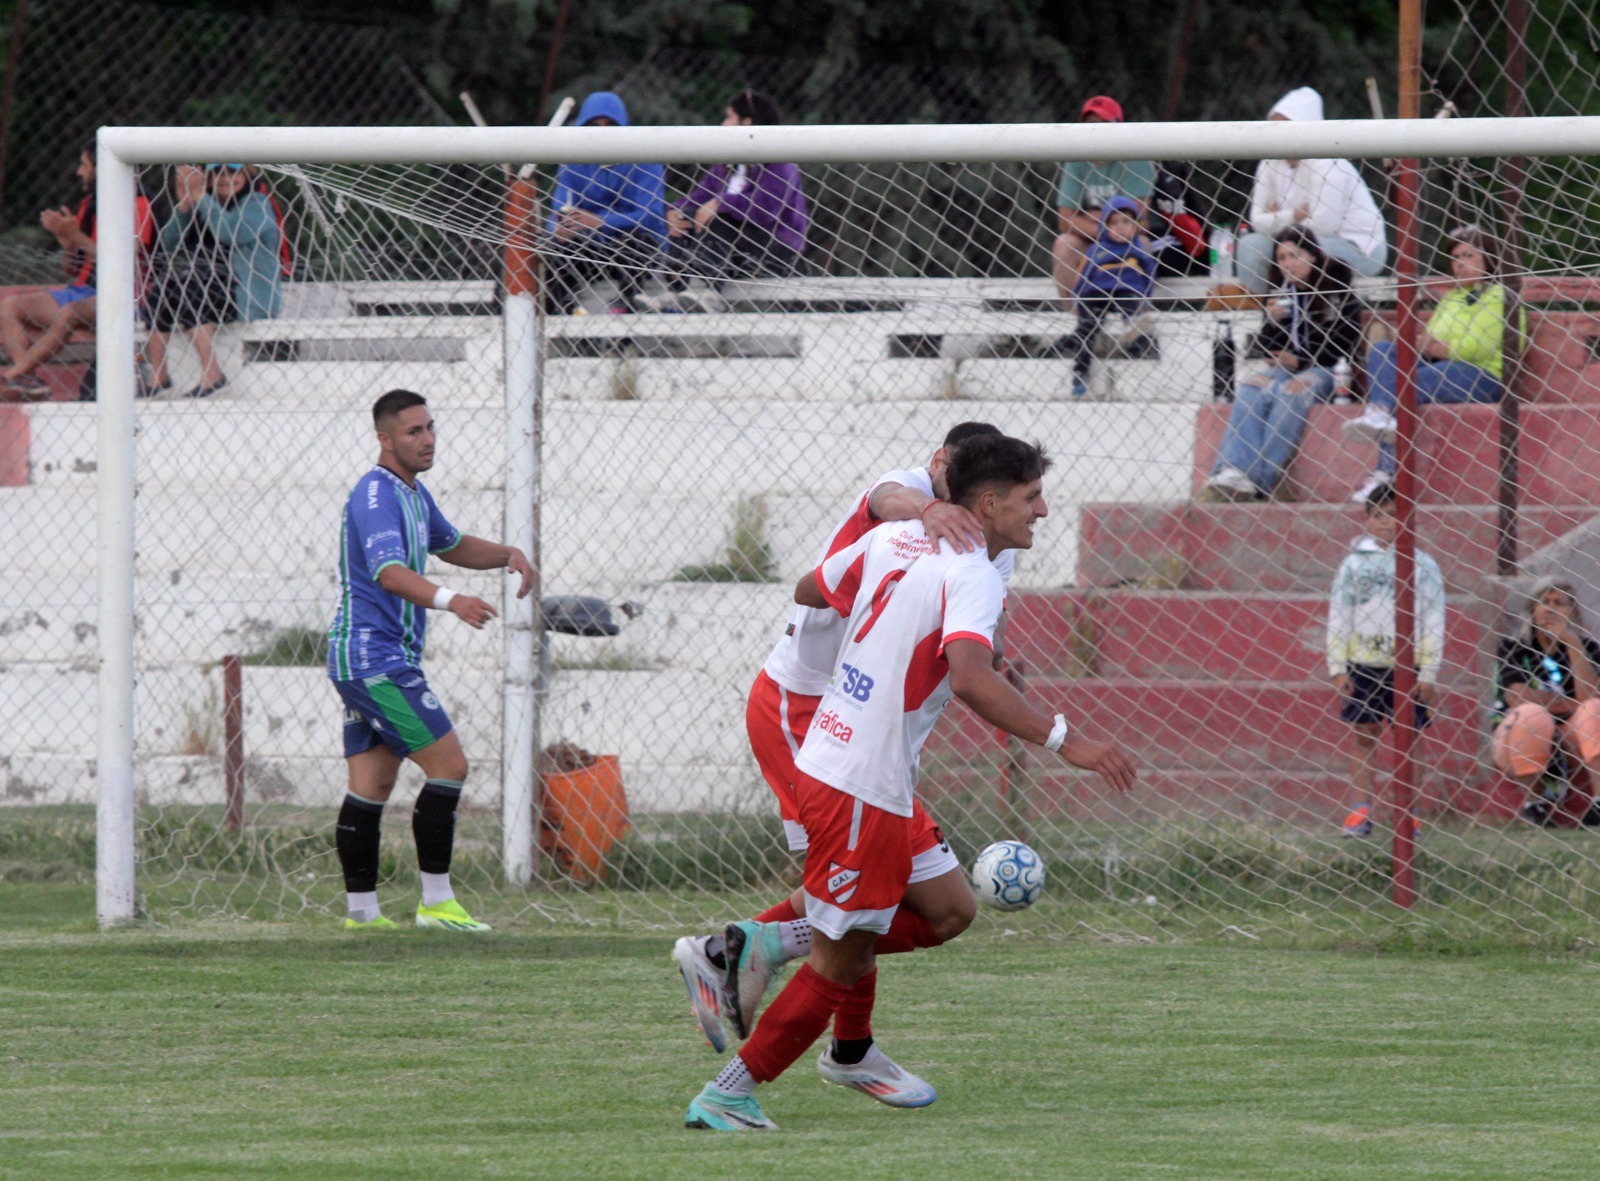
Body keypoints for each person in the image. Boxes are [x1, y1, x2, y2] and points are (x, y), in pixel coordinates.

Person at [682, 435, 1136, 1131]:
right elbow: (970, 676)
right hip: (859, 781)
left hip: (855, 766)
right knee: (841, 955)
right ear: (987, 504)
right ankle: (729, 1092)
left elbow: (811, 588)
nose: (1042, 510)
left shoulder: (895, 539)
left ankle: (773, 944)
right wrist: (1066, 740)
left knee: (951, 908)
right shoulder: (975, 572)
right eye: (1030, 498)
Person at [672, 423, 1010, 1059]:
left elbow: (961, 618)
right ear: (939, 465)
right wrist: (932, 507)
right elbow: (887, 497)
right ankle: (814, 1027)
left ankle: (761, 969)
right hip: (805, 709)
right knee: (856, 892)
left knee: (901, 899)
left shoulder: (991, 543)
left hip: (863, 724)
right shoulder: (911, 494)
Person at [325, 389, 534, 932]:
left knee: (372, 782)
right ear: (385, 438)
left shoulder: (413, 493)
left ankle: (363, 917)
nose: (427, 439)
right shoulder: (375, 495)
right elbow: (389, 572)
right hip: (374, 659)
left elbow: (452, 543)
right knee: (449, 765)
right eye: (413, 431)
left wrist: (507, 555)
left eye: (430, 428)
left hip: (372, 659)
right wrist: (453, 601)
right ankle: (436, 905)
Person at [1343, 224, 1526, 501]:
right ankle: (1379, 413)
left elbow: (1475, 348)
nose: (1460, 264)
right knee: (1382, 350)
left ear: (1488, 259)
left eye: (1469, 256)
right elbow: (1430, 341)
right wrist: (1436, 346)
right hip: (1442, 367)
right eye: (1456, 258)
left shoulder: (1501, 296)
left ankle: (1385, 473)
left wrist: (1436, 345)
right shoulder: (1452, 298)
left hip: (1484, 377)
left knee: (1406, 384)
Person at [1204, 226, 1362, 500]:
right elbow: (1266, 348)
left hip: (1327, 369)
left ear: (1313, 256)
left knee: (1290, 392)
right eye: (1283, 258)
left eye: (1295, 255)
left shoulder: (1335, 287)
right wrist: (1272, 322)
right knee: (1251, 388)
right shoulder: (1282, 292)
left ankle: (1259, 482)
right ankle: (1231, 471)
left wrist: (1300, 360)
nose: (1289, 264)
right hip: (1286, 367)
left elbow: (1343, 343)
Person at [1327, 483, 1445, 837]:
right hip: (1363, 663)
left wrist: (1428, 670)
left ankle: (1407, 812)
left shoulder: (1423, 566)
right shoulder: (1352, 565)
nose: (1385, 522)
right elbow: (1339, 614)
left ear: (1408, 518)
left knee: (1408, 739)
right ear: (1366, 519)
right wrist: (1337, 666)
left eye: (1393, 515)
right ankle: (1361, 810)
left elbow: (1434, 618)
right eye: (1377, 515)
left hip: (1406, 668)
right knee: (1364, 735)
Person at [0, 148, 154, 401]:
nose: (79, 172)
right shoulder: (90, 204)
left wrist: (75, 237)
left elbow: (124, 262)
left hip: (124, 296)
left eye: (84, 165)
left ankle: (14, 373)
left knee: (69, 311)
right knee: (9, 306)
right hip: (81, 290)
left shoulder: (138, 203)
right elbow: (71, 268)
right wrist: (66, 243)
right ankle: (27, 379)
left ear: (100, 169)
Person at [141, 163, 285, 399]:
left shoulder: (257, 204)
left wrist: (201, 198)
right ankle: (159, 376)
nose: (225, 178)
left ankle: (213, 374)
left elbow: (229, 232)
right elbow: (167, 245)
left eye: (232, 172)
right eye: (217, 172)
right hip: (205, 288)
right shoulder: (204, 204)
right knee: (161, 293)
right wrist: (185, 205)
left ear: (246, 175)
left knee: (194, 288)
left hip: (244, 296)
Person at [1233, 87, 1387, 296]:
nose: (1277, 133)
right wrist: (1294, 215)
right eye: (1274, 126)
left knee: (1301, 252)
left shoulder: (1328, 161)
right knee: (1250, 245)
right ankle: (1267, 308)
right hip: (1297, 242)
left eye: (1285, 126)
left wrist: (1277, 219)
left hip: (1356, 247)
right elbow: (1256, 222)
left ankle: (1313, 313)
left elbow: (1324, 226)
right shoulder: (1269, 162)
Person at [665, 90, 808, 300]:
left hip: (775, 251)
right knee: (685, 216)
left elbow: (765, 211)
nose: (724, 124)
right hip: (734, 252)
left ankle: (711, 293)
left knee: (720, 217)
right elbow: (699, 197)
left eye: (730, 117)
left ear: (747, 122)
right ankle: (675, 292)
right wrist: (673, 211)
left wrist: (721, 203)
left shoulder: (779, 162)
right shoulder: (728, 164)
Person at [1490, 578, 1600, 826]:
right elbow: (1517, 697)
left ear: (1572, 612)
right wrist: (1575, 704)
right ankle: (1534, 805)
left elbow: (1592, 700)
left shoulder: (1589, 649)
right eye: (1544, 602)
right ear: (1533, 609)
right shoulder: (1514, 648)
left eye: (1559, 603)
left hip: (1573, 738)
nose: (1551, 609)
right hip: (1517, 737)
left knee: (1594, 710)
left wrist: (1572, 642)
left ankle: (1599, 803)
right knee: (1532, 714)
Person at [545, 92, 666, 314]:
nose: (601, 131)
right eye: (593, 125)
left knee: (638, 241)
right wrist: (558, 229)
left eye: (610, 125)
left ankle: (626, 310)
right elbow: (558, 208)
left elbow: (651, 216)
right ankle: (561, 316)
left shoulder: (645, 159)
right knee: (547, 249)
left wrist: (602, 222)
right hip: (591, 248)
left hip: (632, 248)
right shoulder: (573, 161)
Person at [1051, 96, 1156, 315]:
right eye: (1090, 125)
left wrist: (1095, 218)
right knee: (1064, 244)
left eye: (1103, 124)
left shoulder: (1135, 158)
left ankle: (1136, 317)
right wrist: (1112, 222)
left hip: (1127, 240)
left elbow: (1138, 222)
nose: (1095, 131)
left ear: (1117, 126)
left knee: (1143, 244)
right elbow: (1065, 221)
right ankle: (1077, 319)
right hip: (1091, 240)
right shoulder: (1077, 159)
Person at [1046, 196, 1158, 398]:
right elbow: (1084, 274)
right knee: (1087, 326)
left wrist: (1145, 298)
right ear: (1104, 226)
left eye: (1126, 222)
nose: (1120, 228)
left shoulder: (1138, 250)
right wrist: (1077, 298)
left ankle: (1142, 348)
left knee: (1135, 317)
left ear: (1135, 225)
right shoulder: (1096, 250)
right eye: (1114, 223)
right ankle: (1081, 369)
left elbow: (1149, 274)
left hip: (1126, 291)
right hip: (1097, 292)